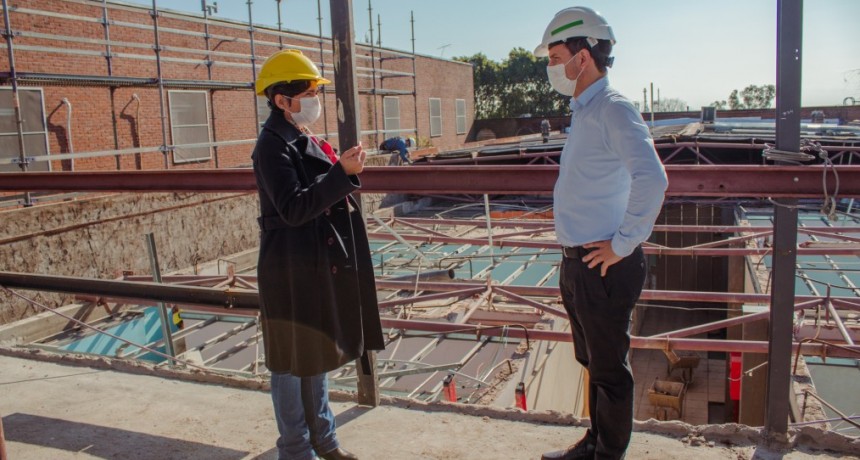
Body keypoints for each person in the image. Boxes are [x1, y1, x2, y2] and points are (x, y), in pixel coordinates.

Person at [534, 7, 668, 460]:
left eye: (555, 56)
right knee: (592, 363)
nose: (551, 67)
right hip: (581, 264)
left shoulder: (613, 109)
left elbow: (653, 178)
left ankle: (608, 453)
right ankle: (593, 443)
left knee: (609, 370)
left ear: (582, 56)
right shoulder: (584, 112)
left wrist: (622, 244)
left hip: (604, 264)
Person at [252, 49, 386, 460]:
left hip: (309, 263)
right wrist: (339, 175)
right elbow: (293, 207)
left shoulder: (299, 137)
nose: (315, 99)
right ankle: (295, 449)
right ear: (282, 101)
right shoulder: (271, 146)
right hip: (288, 267)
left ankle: (324, 441)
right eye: (308, 92)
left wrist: (341, 169)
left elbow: (316, 192)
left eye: (315, 91)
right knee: (291, 364)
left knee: (314, 354)